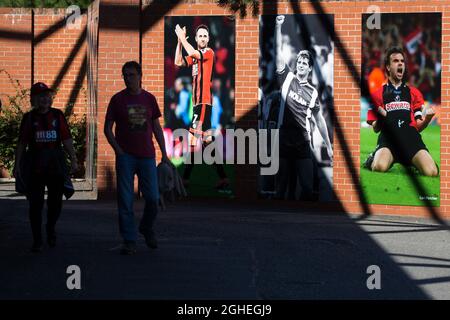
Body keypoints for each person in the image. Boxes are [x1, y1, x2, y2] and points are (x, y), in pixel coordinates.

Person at [104, 61, 170, 255]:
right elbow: (107, 129)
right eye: (125, 75)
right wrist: (118, 150)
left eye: (131, 74)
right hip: (126, 157)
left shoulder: (149, 99)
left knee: (153, 198)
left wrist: (164, 155)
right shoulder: (117, 100)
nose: (128, 78)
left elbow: (156, 128)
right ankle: (129, 240)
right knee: (125, 200)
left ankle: (146, 227)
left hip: (147, 156)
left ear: (140, 76)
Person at [14, 82, 79, 253]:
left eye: (47, 96)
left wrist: (73, 160)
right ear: (34, 99)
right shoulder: (29, 118)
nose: (44, 99)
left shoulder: (57, 116)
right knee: (35, 205)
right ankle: (37, 239)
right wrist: (17, 165)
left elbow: (66, 139)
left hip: (55, 165)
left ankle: (50, 227)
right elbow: (22, 143)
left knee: (55, 203)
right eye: (40, 96)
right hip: (35, 165)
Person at [274, 15, 333, 200]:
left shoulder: (313, 92)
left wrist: (329, 146)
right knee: (280, 189)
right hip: (283, 139)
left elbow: (320, 121)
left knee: (307, 188)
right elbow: (277, 51)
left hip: (303, 143)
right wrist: (278, 27)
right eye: (299, 62)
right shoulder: (287, 77)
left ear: (309, 69)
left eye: (304, 63)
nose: (300, 65)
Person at [364, 47, 438, 177]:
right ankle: (372, 158)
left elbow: (418, 126)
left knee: (431, 172)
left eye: (402, 61)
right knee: (379, 167)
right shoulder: (377, 95)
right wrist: (381, 118)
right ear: (388, 67)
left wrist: (427, 119)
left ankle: (413, 162)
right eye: (396, 61)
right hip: (389, 139)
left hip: (411, 139)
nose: (400, 64)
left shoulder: (414, 93)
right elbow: (375, 128)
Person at [174, 23, 229, 189]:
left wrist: (183, 38)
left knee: (193, 139)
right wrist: (179, 41)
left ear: (208, 39)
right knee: (207, 141)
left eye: (206, 35)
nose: (203, 38)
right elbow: (178, 61)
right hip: (199, 103)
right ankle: (223, 178)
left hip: (204, 103)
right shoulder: (196, 58)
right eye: (200, 36)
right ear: (196, 38)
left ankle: (184, 179)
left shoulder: (208, 52)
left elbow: (191, 51)